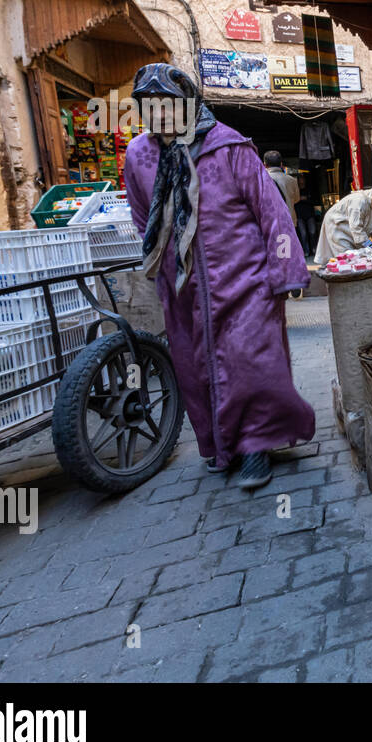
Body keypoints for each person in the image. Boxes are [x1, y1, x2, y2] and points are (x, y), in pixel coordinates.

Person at [124, 63, 315, 490]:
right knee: (196, 369)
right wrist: (162, 269)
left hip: (244, 279)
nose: (160, 114)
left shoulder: (227, 145)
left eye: (168, 104)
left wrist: (286, 271)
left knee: (252, 364)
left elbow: (271, 211)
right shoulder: (139, 155)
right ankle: (218, 446)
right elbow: (143, 218)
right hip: (182, 287)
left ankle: (254, 447)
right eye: (149, 106)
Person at [313, 183, 372, 263]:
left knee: (357, 255)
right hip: (338, 226)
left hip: (350, 228)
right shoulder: (360, 201)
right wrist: (370, 245)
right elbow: (356, 228)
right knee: (347, 258)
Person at [264, 150, 299, 225]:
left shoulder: (261, 180)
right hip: (289, 221)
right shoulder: (292, 180)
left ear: (265, 165)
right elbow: (296, 199)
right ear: (281, 164)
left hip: (270, 223)